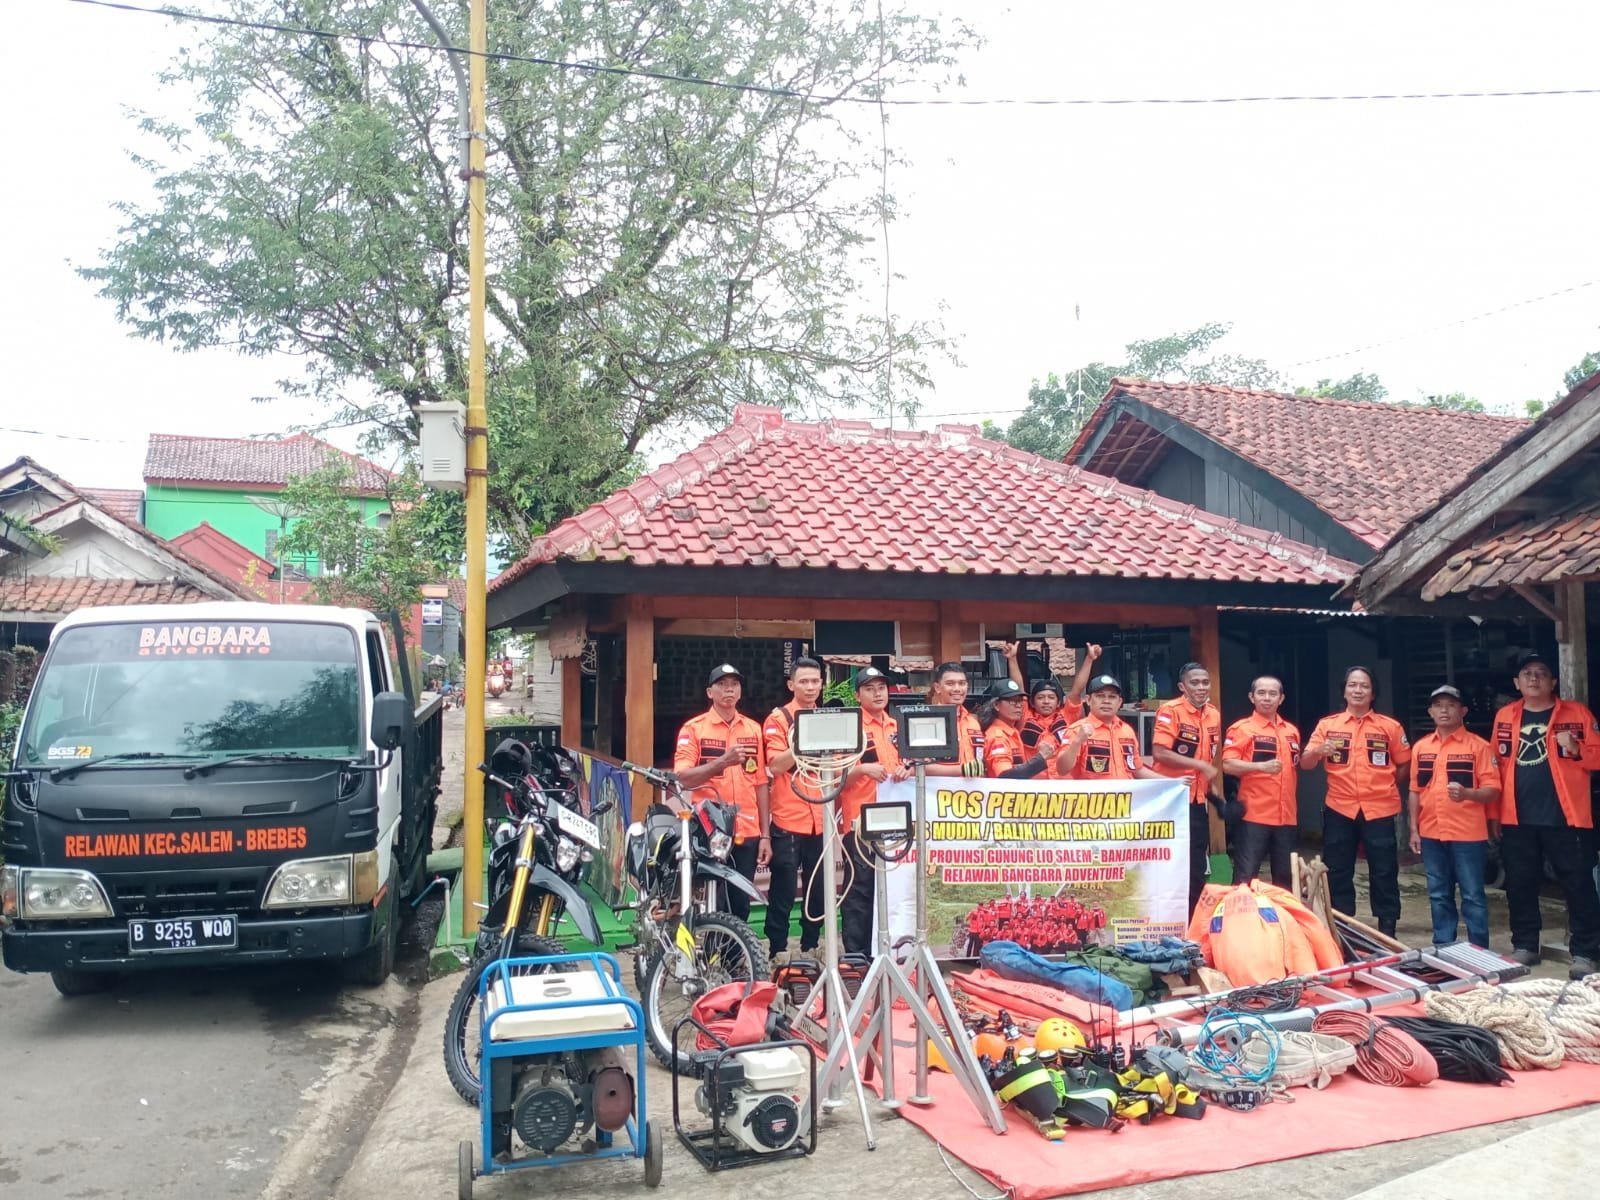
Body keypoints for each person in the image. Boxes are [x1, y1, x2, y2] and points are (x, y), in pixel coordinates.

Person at [1490, 654, 1600, 977]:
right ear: (1517, 683)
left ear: (1553, 682)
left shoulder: (1576, 713)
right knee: (1520, 883)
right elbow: (1493, 767)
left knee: (1578, 884)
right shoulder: (1505, 716)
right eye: (1527, 673)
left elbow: (1598, 757)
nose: (1534, 679)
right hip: (1516, 817)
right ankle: (1525, 945)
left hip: (1567, 817)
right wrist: (1494, 813)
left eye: (1541, 673)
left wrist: (1578, 749)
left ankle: (1586, 952)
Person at [1300, 666, 1412, 937]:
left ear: (1373, 693)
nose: (1358, 690)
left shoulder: (1390, 726)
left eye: (1364, 686)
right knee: (1338, 869)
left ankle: (1387, 927)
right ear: (1344, 691)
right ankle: (1342, 926)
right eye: (1353, 685)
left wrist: (1384, 785)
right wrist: (1318, 750)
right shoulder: (1328, 725)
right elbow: (1305, 763)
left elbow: (1405, 764)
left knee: (1384, 869)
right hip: (1340, 807)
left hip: (1380, 808)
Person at [672, 663, 771, 922]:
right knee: (712, 900)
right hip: (711, 830)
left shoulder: (753, 729)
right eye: (722, 685)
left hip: (747, 830)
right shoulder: (694, 729)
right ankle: (710, 946)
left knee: (740, 903)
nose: (729, 690)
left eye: (734, 685)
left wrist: (765, 835)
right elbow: (683, 778)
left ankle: (735, 949)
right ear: (709, 692)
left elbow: (760, 783)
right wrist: (722, 762)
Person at [1407, 685, 1501, 950]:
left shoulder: (1479, 747)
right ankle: (1444, 947)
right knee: (1438, 894)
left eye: (1450, 705)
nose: (1444, 710)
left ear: (1463, 711)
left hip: (1467, 834)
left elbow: (1494, 790)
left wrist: (1468, 794)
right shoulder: (1421, 747)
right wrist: (1413, 829)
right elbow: (1414, 790)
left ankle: (1478, 950)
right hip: (1431, 832)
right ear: (1430, 712)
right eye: (1438, 705)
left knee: (1472, 896)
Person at [836, 668, 910, 955]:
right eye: (870, 688)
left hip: (897, 824)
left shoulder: (897, 726)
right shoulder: (849, 727)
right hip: (860, 823)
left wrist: (906, 769)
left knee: (896, 889)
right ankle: (857, 957)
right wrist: (861, 769)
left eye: (881, 687)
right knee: (860, 891)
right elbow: (833, 778)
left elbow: (912, 763)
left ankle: (890, 951)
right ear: (857, 695)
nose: (878, 693)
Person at [761, 656, 827, 963]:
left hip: (822, 817)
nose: (810, 687)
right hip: (788, 817)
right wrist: (805, 740)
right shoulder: (778, 719)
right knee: (784, 889)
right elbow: (775, 764)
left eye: (815, 681)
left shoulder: (828, 718)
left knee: (819, 889)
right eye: (804, 681)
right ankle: (777, 948)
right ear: (791, 684)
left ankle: (811, 944)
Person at [1150, 662, 1223, 914]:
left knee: (1196, 863)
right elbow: (1160, 753)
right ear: (1183, 687)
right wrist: (1199, 765)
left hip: (1197, 800)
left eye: (1205, 682)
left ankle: (1193, 919)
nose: (1201, 687)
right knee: (1169, 860)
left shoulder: (1213, 714)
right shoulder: (1170, 711)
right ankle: (1166, 915)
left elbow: (1209, 757)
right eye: (1195, 682)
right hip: (1171, 799)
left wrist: (1212, 790)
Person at [1221, 676, 1301, 887]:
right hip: (1254, 815)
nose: (1267, 698)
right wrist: (1260, 767)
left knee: (1286, 880)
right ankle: (1240, 910)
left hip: (1286, 816)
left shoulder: (1291, 731)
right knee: (1245, 877)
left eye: (1273, 694)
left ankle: (1280, 911)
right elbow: (1227, 764)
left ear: (1281, 699)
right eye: (1261, 693)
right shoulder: (1241, 729)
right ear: (1251, 697)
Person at [1058, 674, 1164, 782]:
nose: (1106, 701)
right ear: (1088, 700)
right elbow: (1061, 769)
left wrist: (1170, 782)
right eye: (1100, 696)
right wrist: (1077, 742)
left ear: (1119, 702)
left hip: (1126, 792)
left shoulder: (1127, 730)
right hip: (1095, 793)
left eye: (1112, 697)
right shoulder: (1077, 730)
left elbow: (1137, 769)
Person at [982, 678, 1068, 778]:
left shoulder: (1012, 732)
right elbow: (1005, 776)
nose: (1018, 706)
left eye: (1020, 701)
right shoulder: (998, 737)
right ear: (996, 705)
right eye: (1012, 701)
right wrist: (1041, 758)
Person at [1004, 640, 1102, 723]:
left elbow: (1077, 691)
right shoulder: (1025, 716)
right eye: (1040, 697)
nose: (1046, 702)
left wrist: (1089, 659)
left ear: (1058, 703)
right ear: (1032, 703)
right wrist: (1012, 658)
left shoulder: (1066, 716)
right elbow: (1018, 689)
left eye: (1051, 697)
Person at [923, 661, 985, 777]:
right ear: (937, 687)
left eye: (962, 683)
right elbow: (918, 767)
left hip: (975, 787)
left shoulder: (973, 722)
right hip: (940, 788)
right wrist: (963, 770)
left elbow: (980, 762)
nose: (957, 689)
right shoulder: (927, 722)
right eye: (950, 684)